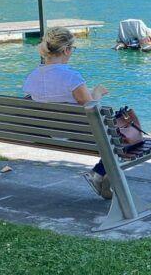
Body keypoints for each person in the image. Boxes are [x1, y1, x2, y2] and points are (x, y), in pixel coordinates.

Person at [23, 26, 112, 199]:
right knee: (122, 136)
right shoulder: (72, 77)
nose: (72, 53)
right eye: (72, 49)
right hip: (76, 136)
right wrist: (98, 93)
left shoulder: (32, 76)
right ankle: (99, 173)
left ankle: (101, 176)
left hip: (46, 135)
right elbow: (91, 108)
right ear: (65, 50)